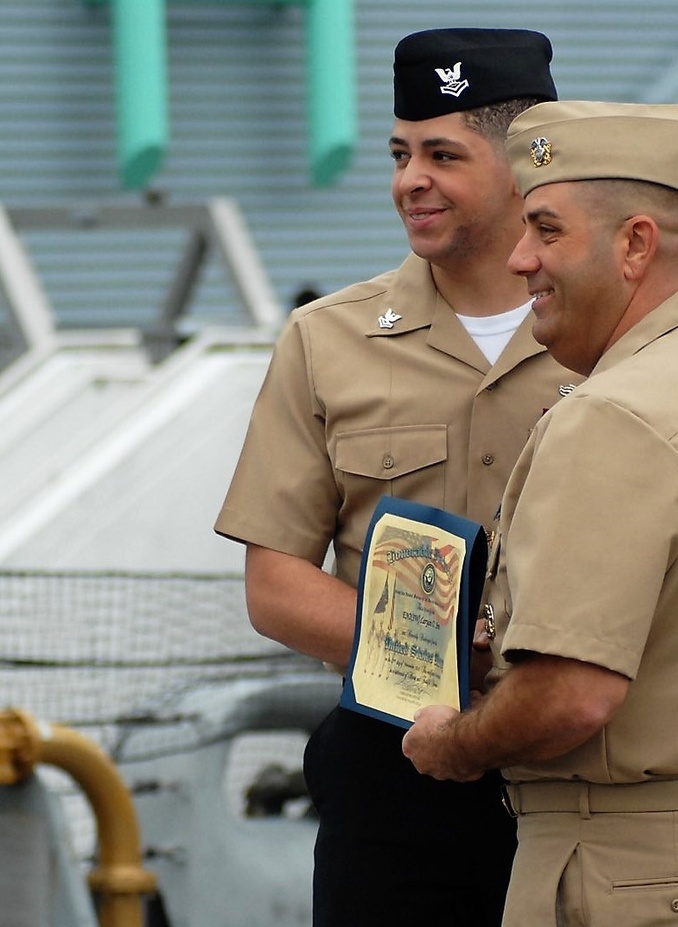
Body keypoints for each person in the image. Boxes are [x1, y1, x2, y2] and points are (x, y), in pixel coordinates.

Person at [402, 101, 678, 927]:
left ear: (635, 243)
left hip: (635, 870)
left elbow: (572, 692)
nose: (521, 257)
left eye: (547, 230)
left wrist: (452, 742)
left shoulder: (616, 413)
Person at [214, 29, 581, 927]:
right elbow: (274, 583)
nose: (408, 179)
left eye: (443, 155)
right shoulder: (327, 338)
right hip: (395, 786)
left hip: (582, 779)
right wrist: (444, 654)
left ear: (529, 160)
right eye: (399, 152)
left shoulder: (614, 342)